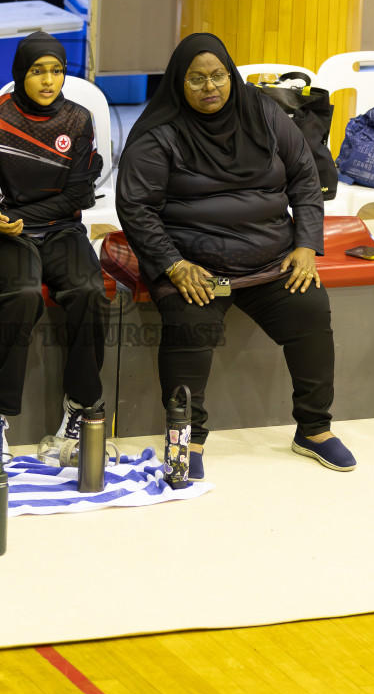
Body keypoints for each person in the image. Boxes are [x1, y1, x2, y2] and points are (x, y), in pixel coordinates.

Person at [115, 33, 352, 476]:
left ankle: (315, 429)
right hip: (196, 268)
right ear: (178, 84)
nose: (211, 88)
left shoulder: (262, 111)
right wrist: (174, 264)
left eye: (219, 76)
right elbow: (135, 206)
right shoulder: (159, 132)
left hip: (269, 262)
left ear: (231, 74)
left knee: (310, 310)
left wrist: (305, 245)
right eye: (198, 79)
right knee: (190, 326)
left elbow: (305, 175)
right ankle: (188, 440)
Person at [0, 31, 109, 461]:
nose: (48, 80)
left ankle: (81, 408)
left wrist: (13, 222)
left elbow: (79, 196)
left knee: (90, 291)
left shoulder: (78, 120)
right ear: (20, 73)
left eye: (56, 70)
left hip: (55, 230)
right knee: (22, 293)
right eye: (38, 71)